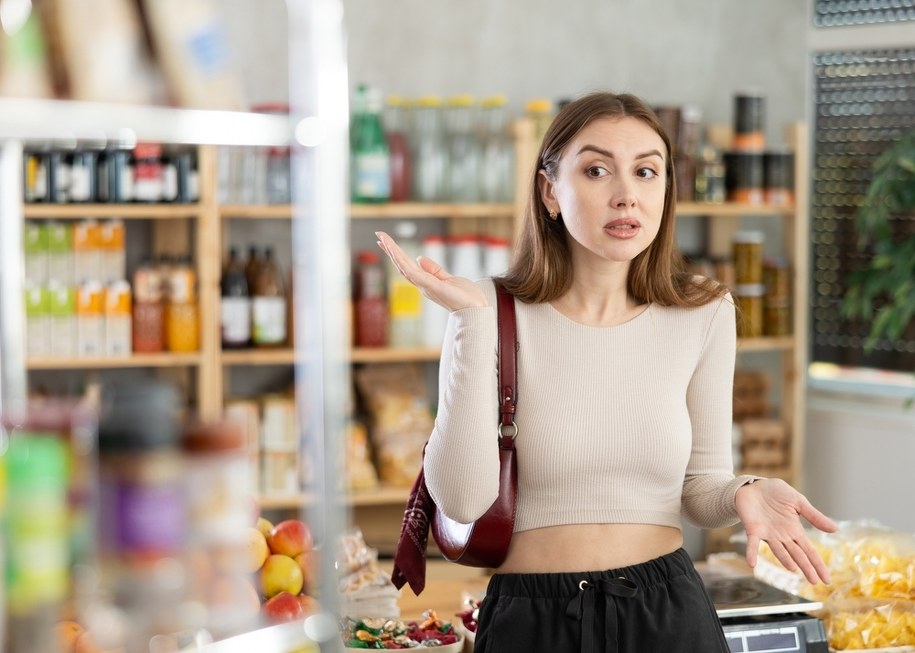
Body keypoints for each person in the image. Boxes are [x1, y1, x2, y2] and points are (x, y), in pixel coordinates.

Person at [376, 91, 836, 653]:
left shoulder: (704, 311)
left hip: (669, 613)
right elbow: (463, 501)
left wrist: (746, 489)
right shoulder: (484, 309)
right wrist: (471, 322)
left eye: (647, 171)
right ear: (550, 191)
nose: (626, 195)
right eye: (597, 170)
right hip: (532, 620)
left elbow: (699, 489)